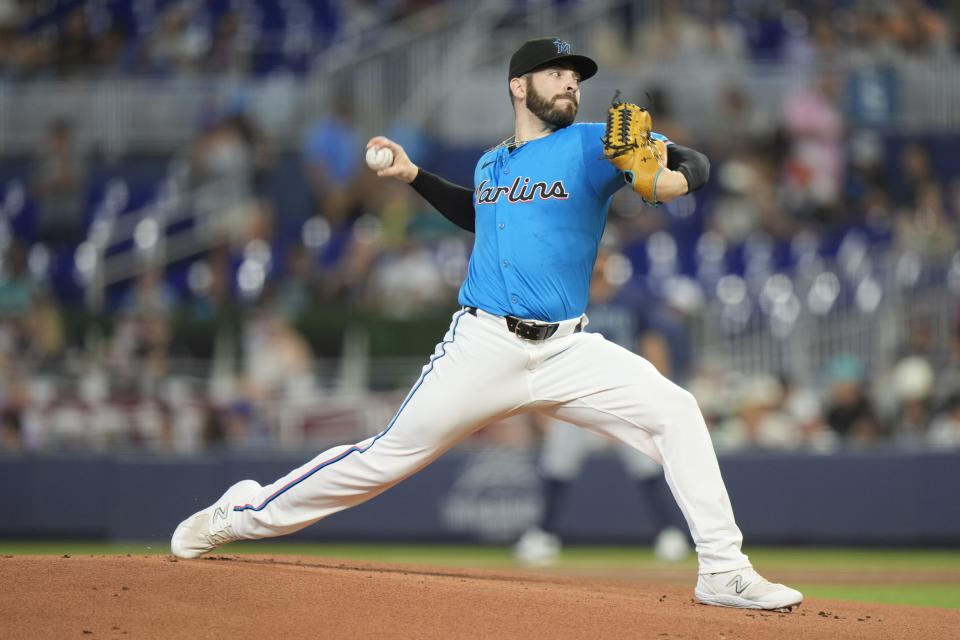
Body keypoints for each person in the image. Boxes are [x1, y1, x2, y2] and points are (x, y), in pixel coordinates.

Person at [171, 37, 802, 612]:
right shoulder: (491, 163)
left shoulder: (593, 143)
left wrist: (666, 177)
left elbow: (688, 165)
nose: (569, 84)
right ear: (517, 86)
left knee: (677, 411)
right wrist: (414, 176)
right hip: (483, 345)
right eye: (555, 73)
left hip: (567, 348)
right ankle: (241, 512)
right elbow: (481, 214)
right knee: (381, 460)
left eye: (575, 77)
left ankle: (723, 569)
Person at [513, 246, 691, 565]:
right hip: (576, 398)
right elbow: (546, 352)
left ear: (611, 261)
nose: (598, 262)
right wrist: (542, 404)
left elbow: (653, 344)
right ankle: (543, 533)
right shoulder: (567, 300)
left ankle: (668, 533)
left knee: (647, 466)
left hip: (624, 397)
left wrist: (658, 392)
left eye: (604, 256)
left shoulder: (631, 299)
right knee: (557, 464)